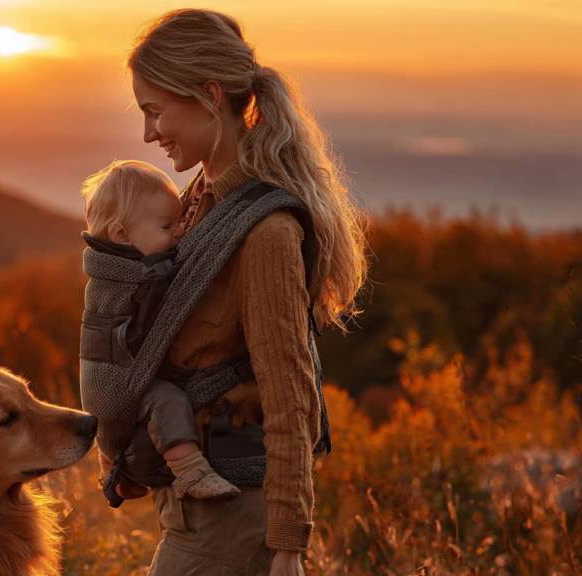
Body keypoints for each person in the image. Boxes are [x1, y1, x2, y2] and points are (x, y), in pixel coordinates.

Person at [122, 8, 369, 576]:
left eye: (155, 111)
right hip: (192, 510)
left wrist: (287, 548)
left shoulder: (264, 233)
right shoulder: (195, 204)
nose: (147, 134)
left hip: (234, 522)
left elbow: (291, 397)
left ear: (209, 95)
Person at [79, 159, 241, 501]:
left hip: (109, 375)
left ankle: (113, 467)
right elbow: (170, 296)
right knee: (167, 399)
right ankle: (191, 472)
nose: (180, 232)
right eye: (168, 226)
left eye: (181, 222)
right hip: (112, 378)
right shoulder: (127, 278)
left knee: (126, 416)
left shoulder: (125, 263)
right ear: (123, 235)